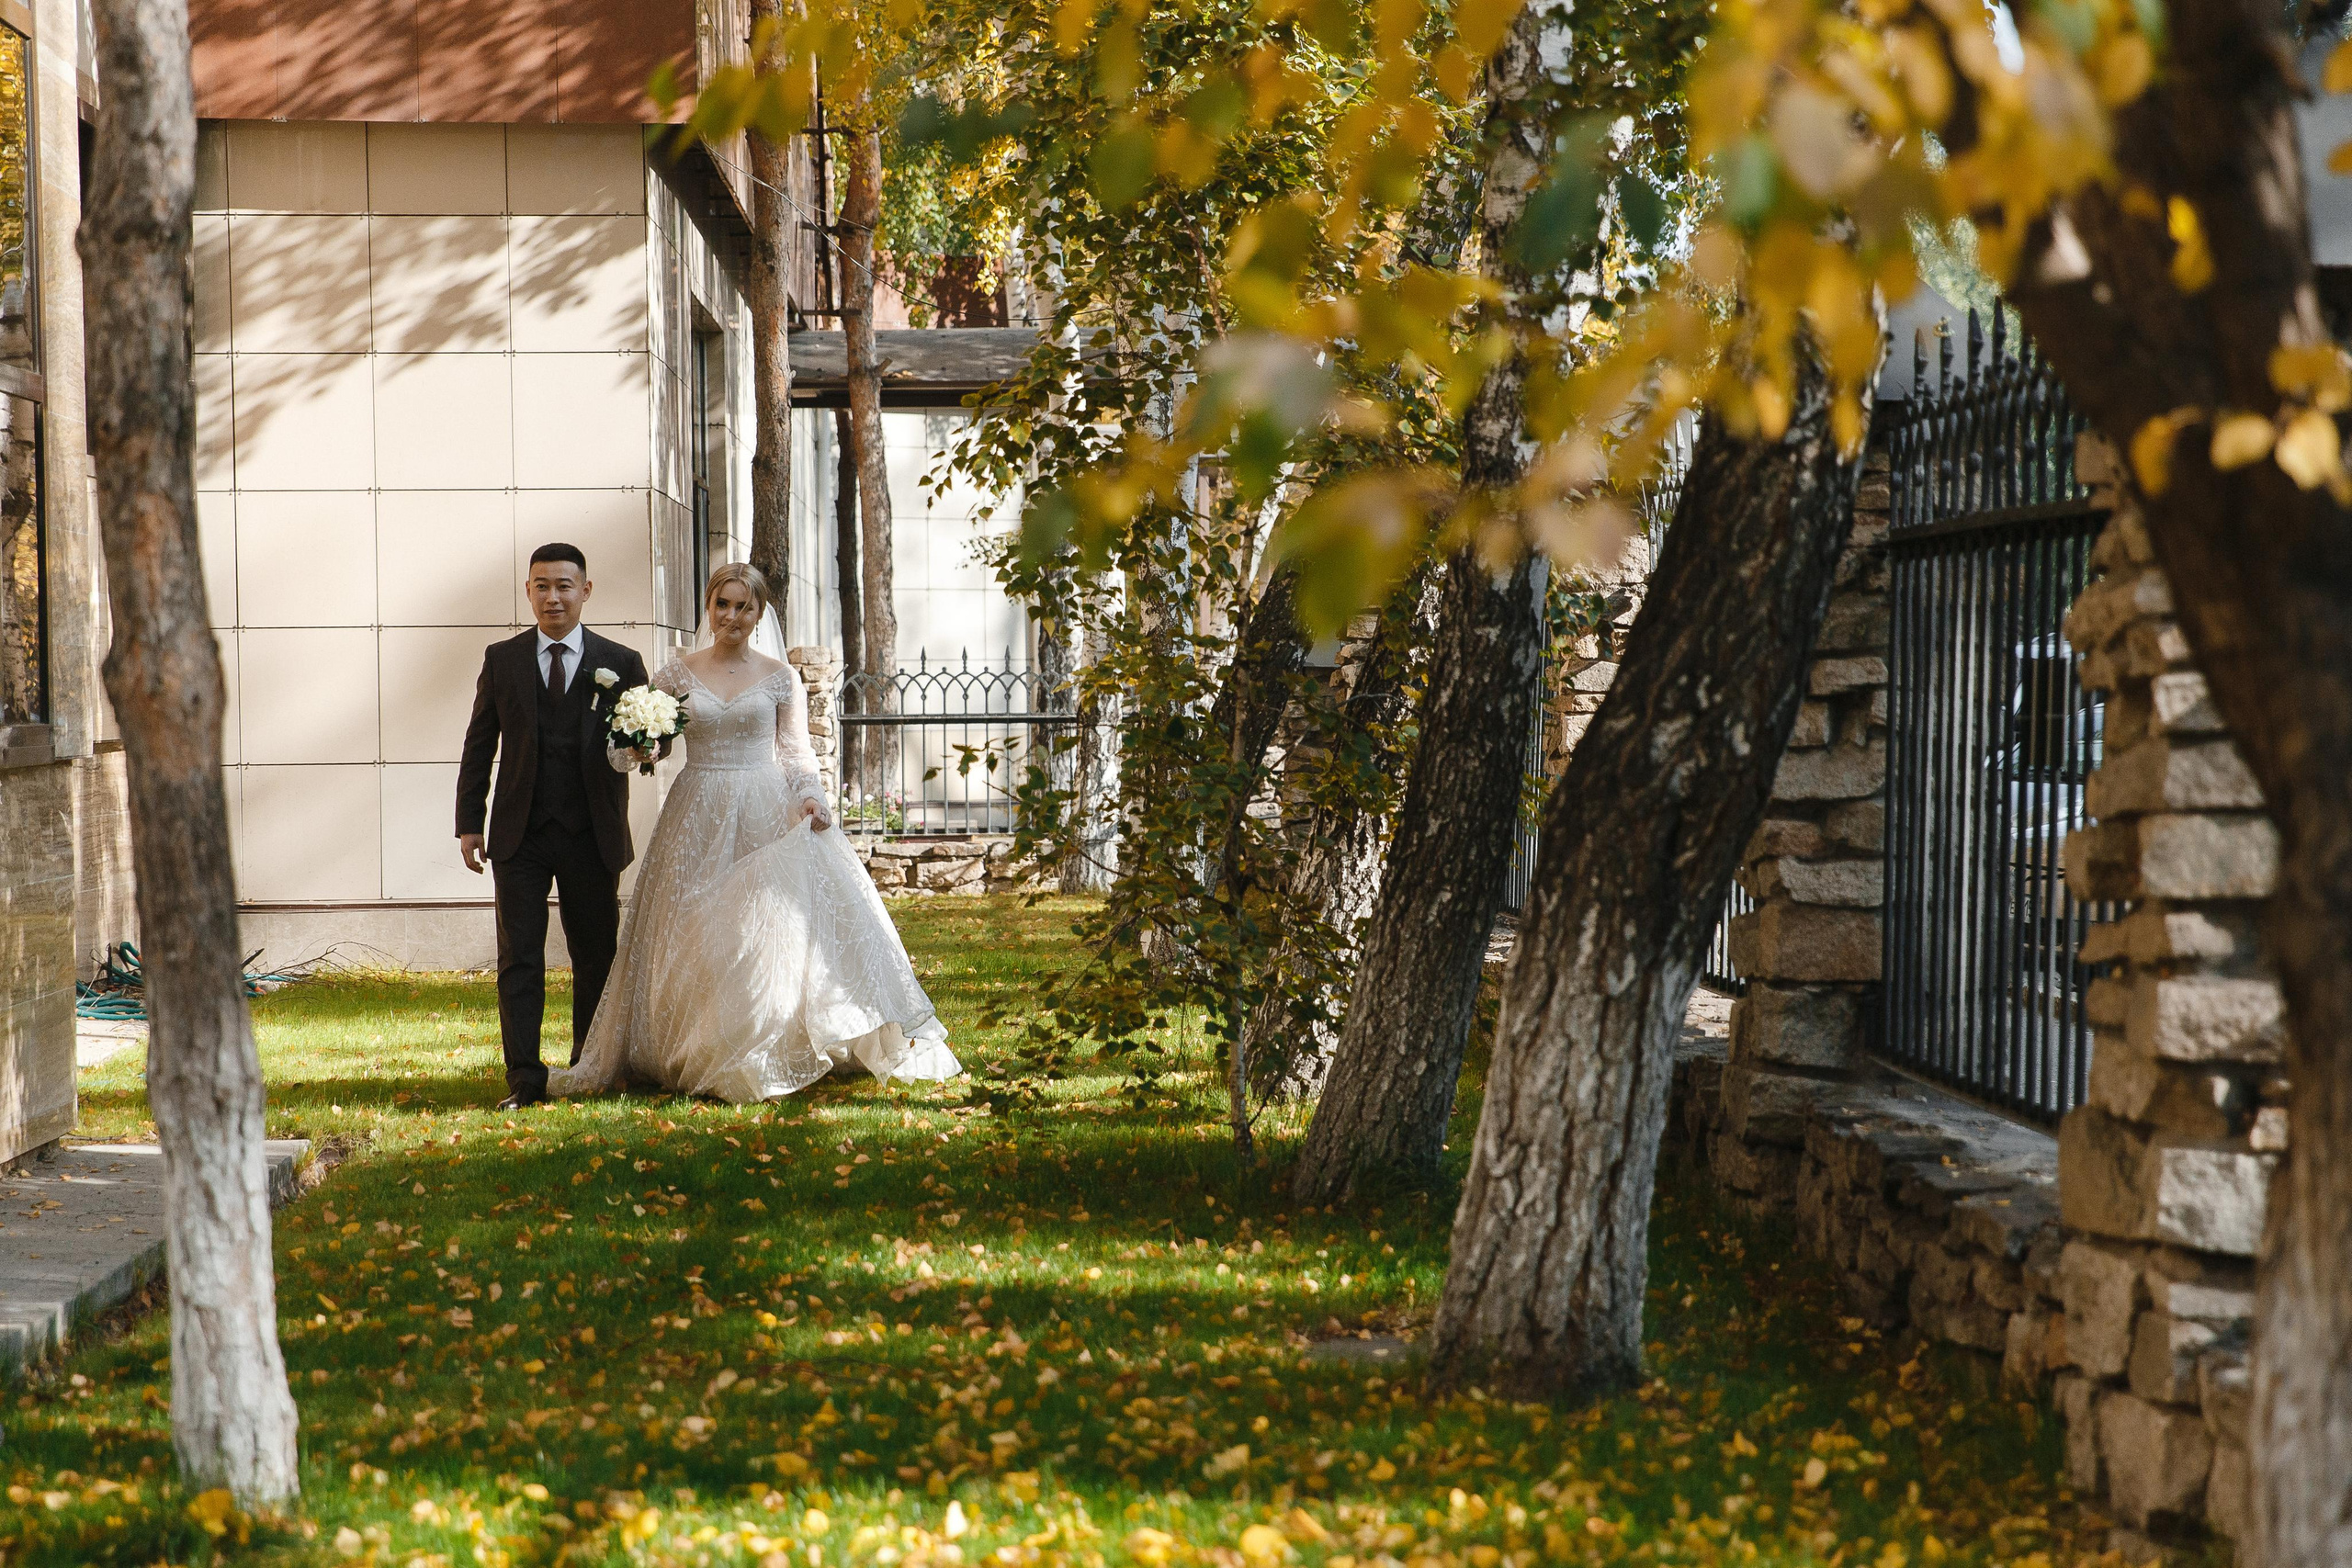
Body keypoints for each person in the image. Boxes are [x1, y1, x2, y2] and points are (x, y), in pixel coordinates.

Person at [548, 563, 958, 1103]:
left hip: (763, 803)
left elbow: (794, 752)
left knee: (758, 929)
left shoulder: (779, 677)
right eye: (723, 604)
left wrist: (810, 794)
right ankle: (696, 1043)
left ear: (759, 613)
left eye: (744, 607)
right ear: (709, 607)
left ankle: (759, 1045)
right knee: (692, 926)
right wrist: (641, 746)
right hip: (696, 807)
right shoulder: (676, 674)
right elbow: (638, 748)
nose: (732, 616)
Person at [455, 543, 656, 1109]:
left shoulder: (623, 661)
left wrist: (650, 748)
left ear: (585, 591)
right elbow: (479, 743)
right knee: (519, 956)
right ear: (529, 592)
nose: (553, 596)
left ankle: (586, 1070)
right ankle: (524, 1079)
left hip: (593, 833)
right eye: (541, 585)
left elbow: (646, 741)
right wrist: (470, 821)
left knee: (595, 955)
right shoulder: (503, 659)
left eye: (564, 585)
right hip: (519, 834)